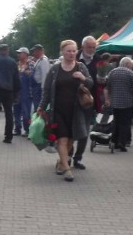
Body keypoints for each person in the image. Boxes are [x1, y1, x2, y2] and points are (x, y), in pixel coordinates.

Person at [37, 40, 93, 182]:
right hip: (58, 111)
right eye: (68, 51)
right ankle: (67, 169)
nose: (71, 53)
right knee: (62, 139)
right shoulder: (55, 69)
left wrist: (83, 78)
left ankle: (61, 162)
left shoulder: (80, 67)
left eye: (74, 51)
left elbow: (91, 83)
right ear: (62, 52)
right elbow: (47, 90)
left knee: (70, 140)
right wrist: (41, 106)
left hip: (76, 111)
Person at [69, 35, 100, 170]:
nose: (91, 49)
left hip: (89, 101)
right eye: (89, 47)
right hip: (71, 99)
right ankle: (67, 155)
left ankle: (78, 158)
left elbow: (102, 82)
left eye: (93, 47)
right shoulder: (73, 58)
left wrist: (102, 80)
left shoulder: (99, 61)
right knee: (70, 129)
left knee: (84, 130)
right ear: (83, 46)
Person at [104, 57, 133, 152]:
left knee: (115, 122)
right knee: (125, 123)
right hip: (127, 103)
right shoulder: (130, 73)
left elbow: (107, 87)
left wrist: (107, 99)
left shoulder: (112, 72)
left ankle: (114, 141)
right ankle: (122, 142)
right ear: (128, 64)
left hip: (114, 102)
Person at [13, 47, 33, 136]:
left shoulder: (31, 64)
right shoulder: (16, 64)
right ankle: (17, 129)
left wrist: (29, 74)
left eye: (20, 53)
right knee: (16, 111)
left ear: (25, 54)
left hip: (26, 92)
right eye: (18, 53)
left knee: (26, 112)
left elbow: (34, 78)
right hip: (16, 91)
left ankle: (27, 129)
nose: (18, 54)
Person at [30, 44, 50, 113]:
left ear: (39, 51)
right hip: (36, 87)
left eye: (34, 51)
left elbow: (45, 75)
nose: (33, 53)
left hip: (39, 87)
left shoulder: (43, 60)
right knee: (36, 106)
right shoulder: (39, 60)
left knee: (38, 107)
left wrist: (43, 89)